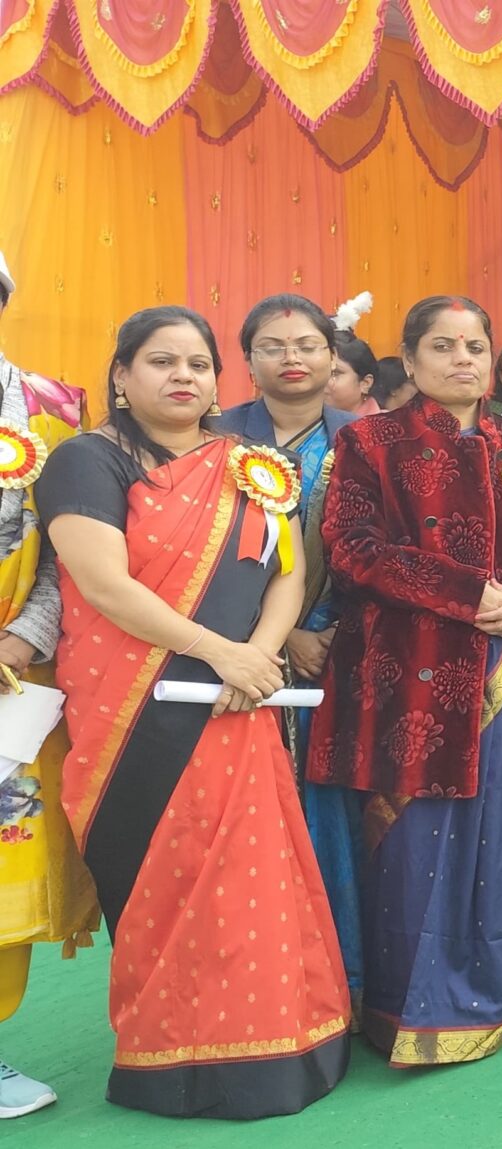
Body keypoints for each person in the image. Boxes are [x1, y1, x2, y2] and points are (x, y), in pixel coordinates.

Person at [40, 306, 348, 1116]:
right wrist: (222, 652)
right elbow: (104, 583)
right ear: (121, 374)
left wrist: (260, 656)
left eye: (198, 363)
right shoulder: (85, 460)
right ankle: (169, 1059)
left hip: (241, 700)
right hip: (136, 712)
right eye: (161, 360)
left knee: (254, 878)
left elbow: (290, 570)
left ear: (217, 380)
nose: (183, 376)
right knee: (164, 879)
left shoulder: (251, 463)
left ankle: (277, 1050)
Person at [310, 295, 502, 1068]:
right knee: (418, 842)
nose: (463, 359)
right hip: (415, 676)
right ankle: (421, 1005)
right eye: (443, 345)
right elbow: (352, 547)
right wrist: (469, 594)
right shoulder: (371, 441)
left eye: (475, 346)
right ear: (409, 358)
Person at [212, 295, 366, 994]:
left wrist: (334, 634)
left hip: (347, 654)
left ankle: (342, 979)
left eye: (307, 345)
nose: (292, 358)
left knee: (339, 814)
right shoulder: (213, 436)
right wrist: (284, 635)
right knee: (242, 818)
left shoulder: (367, 440)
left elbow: (386, 552)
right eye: (272, 347)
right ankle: (258, 982)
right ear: (247, 361)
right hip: (235, 653)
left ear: (333, 356)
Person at [0, 248, 89, 1121]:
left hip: (12, 679)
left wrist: (25, 636)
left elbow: (70, 550)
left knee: (7, 866)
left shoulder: (51, 410)